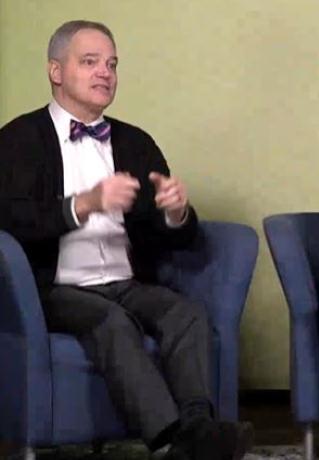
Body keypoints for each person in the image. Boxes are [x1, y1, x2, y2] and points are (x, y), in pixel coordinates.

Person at [0, 20, 252, 460]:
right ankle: (168, 440)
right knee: (111, 323)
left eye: (112, 64)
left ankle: (197, 427)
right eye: (90, 62)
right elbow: (12, 218)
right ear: (56, 71)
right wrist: (86, 203)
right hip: (58, 287)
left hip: (126, 281)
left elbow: (174, 235)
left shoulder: (135, 142)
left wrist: (177, 213)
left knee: (186, 313)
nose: (105, 73)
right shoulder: (19, 139)